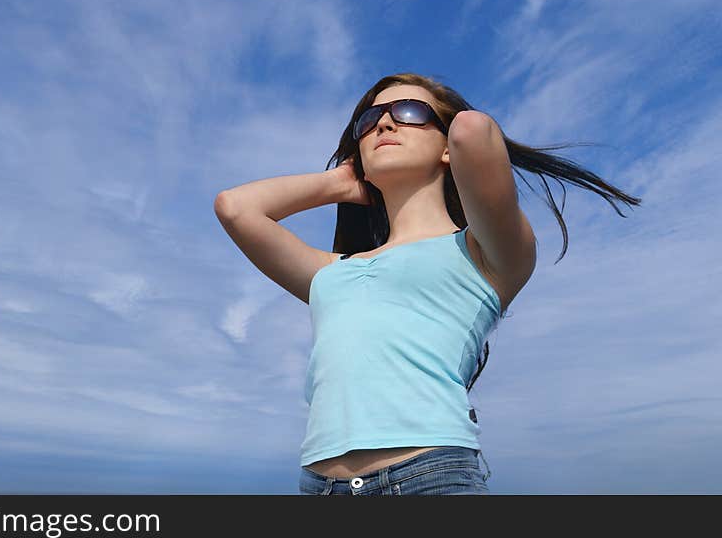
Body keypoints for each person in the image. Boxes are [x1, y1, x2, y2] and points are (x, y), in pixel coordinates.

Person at [214, 72, 641, 495]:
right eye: (369, 120)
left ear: (447, 148)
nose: (383, 123)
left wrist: (447, 128)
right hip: (320, 486)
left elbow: (474, 131)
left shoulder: (484, 253)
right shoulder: (331, 271)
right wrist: (339, 182)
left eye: (409, 112)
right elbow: (235, 208)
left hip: (430, 477)